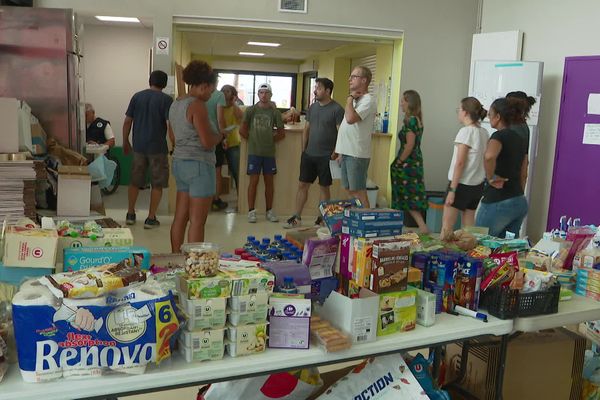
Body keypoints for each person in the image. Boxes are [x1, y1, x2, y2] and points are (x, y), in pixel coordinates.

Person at [168, 60, 226, 252]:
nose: (211, 94)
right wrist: (221, 135)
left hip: (180, 163)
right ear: (203, 86)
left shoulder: (176, 104)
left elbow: (173, 136)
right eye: (211, 90)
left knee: (180, 217)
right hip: (199, 166)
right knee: (197, 221)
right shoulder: (197, 105)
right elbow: (207, 142)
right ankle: (193, 264)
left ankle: (176, 258)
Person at [284, 77, 344, 228]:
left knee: (324, 187)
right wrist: (304, 149)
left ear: (328, 91)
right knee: (302, 185)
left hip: (327, 156)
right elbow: (306, 129)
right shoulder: (313, 108)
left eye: (318, 87)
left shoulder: (337, 109)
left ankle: (323, 218)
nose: (315, 90)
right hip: (309, 154)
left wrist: (337, 151)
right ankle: (296, 217)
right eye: (315, 87)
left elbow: (341, 133)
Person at [122, 70, 173, 229]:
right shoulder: (167, 100)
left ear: (150, 80)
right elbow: (170, 125)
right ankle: (151, 218)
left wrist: (125, 141)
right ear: (164, 84)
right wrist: (175, 144)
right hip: (158, 148)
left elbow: (127, 121)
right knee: (157, 183)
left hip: (138, 147)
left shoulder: (137, 96)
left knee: (135, 181)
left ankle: (130, 214)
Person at [475, 98, 528, 238]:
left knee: (480, 244)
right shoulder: (520, 139)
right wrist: (518, 192)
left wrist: (490, 177)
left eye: (490, 114)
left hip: (497, 200)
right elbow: (524, 171)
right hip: (519, 200)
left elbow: (489, 156)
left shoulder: (498, 136)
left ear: (498, 117)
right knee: (507, 250)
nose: (488, 117)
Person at [440, 97, 489, 238]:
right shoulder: (484, 133)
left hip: (461, 184)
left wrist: (452, 190)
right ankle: (468, 257)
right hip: (477, 186)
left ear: (466, 112)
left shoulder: (466, 132)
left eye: (459, 110)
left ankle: (443, 257)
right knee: (469, 231)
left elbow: (460, 162)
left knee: (447, 228)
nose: (458, 113)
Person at [239, 83, 285, 223]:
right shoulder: (251, 110)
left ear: (270, 95)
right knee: (253, 182)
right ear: (258, 94)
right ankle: (251, 211)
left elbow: (281, 133)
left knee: (269, 183)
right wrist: (253, 140)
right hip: (254, 152)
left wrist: (270, 141)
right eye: (261, 92)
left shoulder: (275, 112)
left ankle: (269, 211)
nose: (264, 95)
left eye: (266, 93)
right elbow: (242, 130)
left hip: (269, 153)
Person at [334, 66, 377, 207]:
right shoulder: (355, 99)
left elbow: (351, 118)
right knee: (349, 190)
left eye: (354, 76)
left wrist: (349, 99)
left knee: (358, 191)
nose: (349, 79)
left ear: (364, 80)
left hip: (356, 153)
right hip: (347, 152)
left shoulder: (368, 100)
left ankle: (366, 223)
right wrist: (341, 152)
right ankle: (356, 219)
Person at [390, 90, 428, 233]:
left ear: (409, 103)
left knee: (405, 195)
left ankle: (398, 226)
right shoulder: (417, 120)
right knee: (409, 197)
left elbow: (409, 144)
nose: (401, 104)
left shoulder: (411, 120)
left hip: (408, 164)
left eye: (403, 101)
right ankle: (421, 226)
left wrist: (399, 161)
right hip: (414, 162)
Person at [506, 91, 537, 191]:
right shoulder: (523, 126)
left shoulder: (512, 129)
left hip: (507, 182)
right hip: (516, 184)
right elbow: (525, 160)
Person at [206, 88, 229, 211]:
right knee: (216, 171)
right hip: (215, 137)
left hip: (200, 137)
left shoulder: (195, 94)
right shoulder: (219, 95)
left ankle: (204, 201)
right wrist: (224, 137)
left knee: (203, 170)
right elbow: (220, 119)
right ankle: (215, 200)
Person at [221, 85, 244, 193]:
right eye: (223, 90)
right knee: (217, 171)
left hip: (233, 143)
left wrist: (233, 103)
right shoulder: (218, 106)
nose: (225, 93)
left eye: (228, 91)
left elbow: (241, 117)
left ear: (233, 94)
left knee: (236, 172)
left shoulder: (234, 107)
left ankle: (241, 199)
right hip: (218, 142)